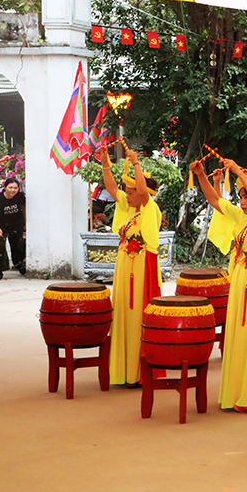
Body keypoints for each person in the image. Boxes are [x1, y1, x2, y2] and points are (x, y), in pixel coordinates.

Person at [191, 157, 247, 412]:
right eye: (240, 196)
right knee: (239, 333)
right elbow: (215, 201)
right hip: (240, 280)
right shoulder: (242, 219)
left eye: (246, 196)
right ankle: (238, 390)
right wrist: (202, 175)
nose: (242, 200)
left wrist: (238, 171)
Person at [96, 149, 162, 386]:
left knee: (138, 315)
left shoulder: (149, 208)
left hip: (143, 267)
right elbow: (112, 188)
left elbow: (142, 193)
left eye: (131, 192)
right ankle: (124, 370)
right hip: (125, 267)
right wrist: (105, 163)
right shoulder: (129, 209)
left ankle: (139, 371)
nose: (127, 195)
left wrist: (135, 163)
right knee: (123, 313)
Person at [0, 176, 26, 277]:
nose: (13, 190)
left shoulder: (20, 197)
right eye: (10, 187)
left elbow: (23, 208)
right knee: (0, 247)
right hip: (1, 225)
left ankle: (19, 264)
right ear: (5, 187)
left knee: (18, 246)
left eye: (15, 188)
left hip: (16, 224)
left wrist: (25, 222)